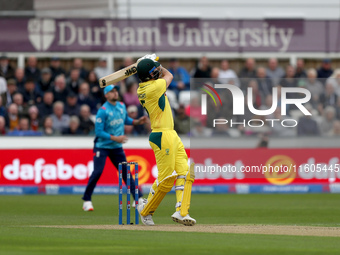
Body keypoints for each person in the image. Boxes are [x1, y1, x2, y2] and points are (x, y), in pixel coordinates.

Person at [136, 58, 196, 226]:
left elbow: (156, 74)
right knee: (166, 179)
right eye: (154, 70)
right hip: (161, 135)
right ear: (150, 75)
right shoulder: (153, 87)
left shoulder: (145, 86)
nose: (157, 71)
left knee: (185, 172)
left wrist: (148, 62)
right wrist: (157, 63)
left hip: (171, 134)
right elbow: (169, 74)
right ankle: (145, 210)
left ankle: (182, 211)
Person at [82, 84, 146, 211]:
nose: (115, 93)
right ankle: (87, 200)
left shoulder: (122, 106)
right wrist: (115, 138)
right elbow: (99, 132)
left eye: (116, 91)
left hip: (116, 147)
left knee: (126, 173)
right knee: (98, 172)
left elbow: (125, 119)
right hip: (102, 146)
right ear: (106, 95)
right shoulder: (103, 110)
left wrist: (136, 122)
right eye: (111, 92)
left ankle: (137, 198)